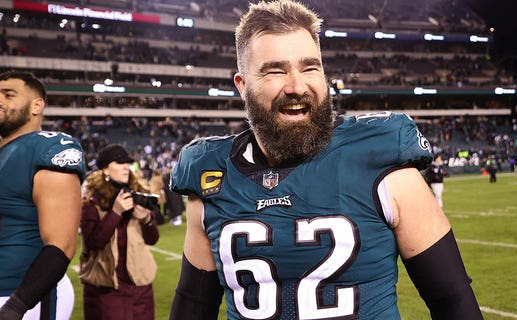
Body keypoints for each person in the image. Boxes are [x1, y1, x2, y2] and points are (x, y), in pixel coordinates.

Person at [168, 1, 483, 319]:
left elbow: (452, 300)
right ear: (243, 85)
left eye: (309, 67)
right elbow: (193, 305)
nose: (296, 86)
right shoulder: (210, 174)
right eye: (275, 70)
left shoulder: (383, 163)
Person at [0, 71, 86, 319]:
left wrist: (14, 309)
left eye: (8, 95)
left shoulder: (50, 149)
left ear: (37, 105)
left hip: (23, 295)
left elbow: (61, 244)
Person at [78, 144, 160, 320]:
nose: (126, 166)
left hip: (140, 287)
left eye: (127, 163)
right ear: (105, 169)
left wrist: (147, 219)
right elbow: (93, 242)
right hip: (106, 289)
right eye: (120, 162)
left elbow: (153, 239)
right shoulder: (91, 201)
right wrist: (115, 212)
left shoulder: (137, 193)